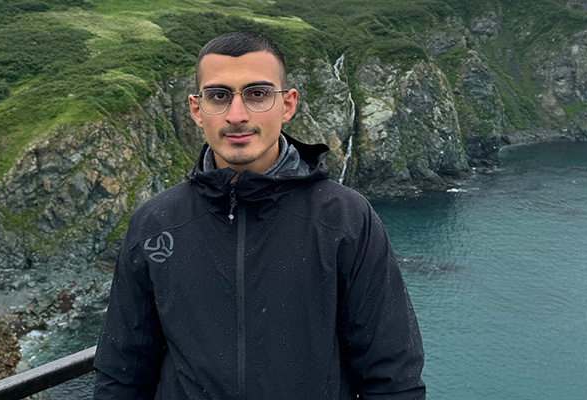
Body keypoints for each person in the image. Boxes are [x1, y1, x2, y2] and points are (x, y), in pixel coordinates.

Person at [93, 31, 425, 399]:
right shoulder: (155, 223)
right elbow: (122, 373)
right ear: (196, 109)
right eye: (218, 96)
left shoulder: (346, 219)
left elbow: (392, 376)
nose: (237, 115)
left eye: (257, 94)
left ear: (287, 104)